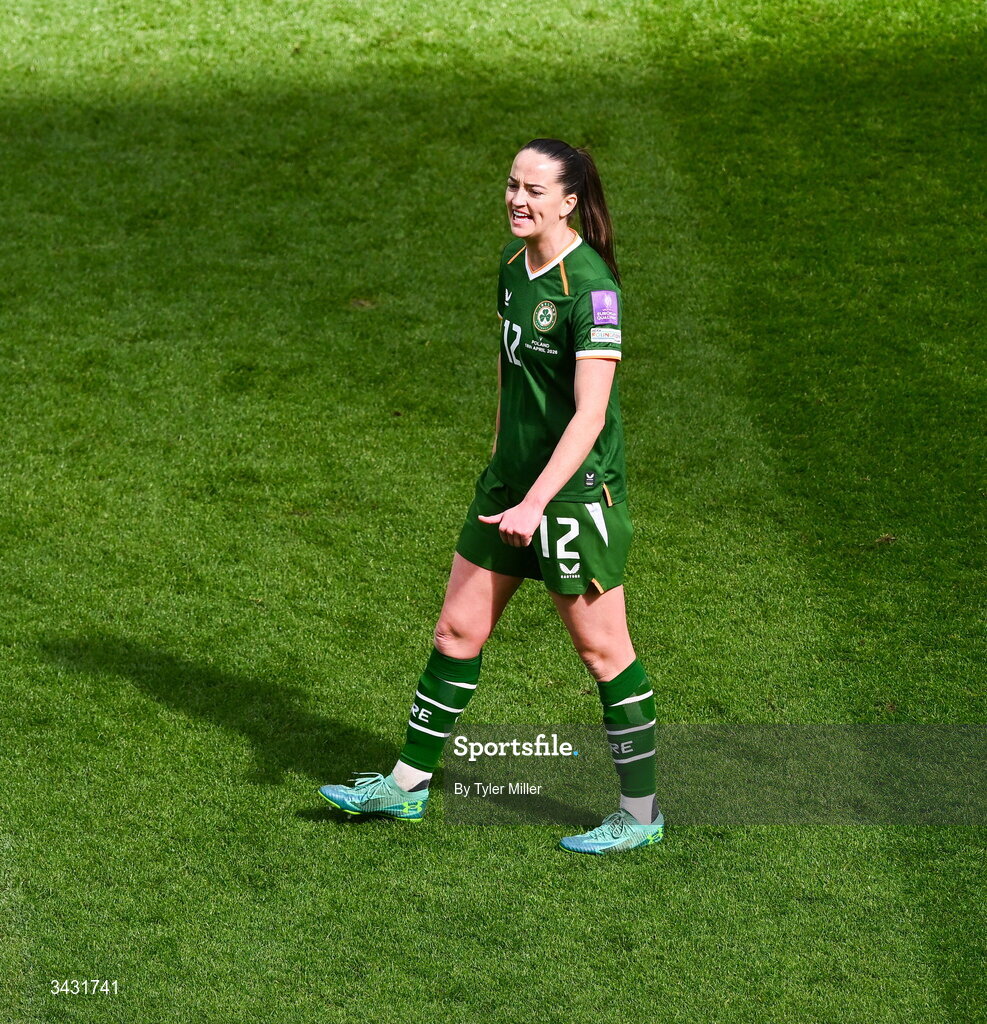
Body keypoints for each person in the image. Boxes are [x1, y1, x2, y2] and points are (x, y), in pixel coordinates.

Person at [318, 138, 662, 854]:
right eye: (511, 184)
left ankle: (640, 814)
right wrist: (501, 466)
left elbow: (589, 415)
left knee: (603, 653)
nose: (517, 199)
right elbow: (512, 380)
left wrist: (536, 501)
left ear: (569, 202)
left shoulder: (590, 291)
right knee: (454, 632)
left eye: (535, 190)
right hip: (508, 485)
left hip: (570, 498)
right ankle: (404, 788)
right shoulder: (512, 268)